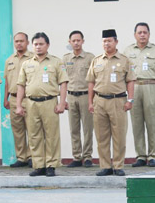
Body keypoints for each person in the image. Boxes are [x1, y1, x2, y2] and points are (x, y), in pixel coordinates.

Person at [14, 32, 68, 177]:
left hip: (49, 102)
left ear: (47, 45)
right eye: (36, 44)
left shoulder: (56, 62)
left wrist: (62, 103)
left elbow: (63, 83)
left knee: (51, 135)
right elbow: (21, 85)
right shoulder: (27, 63)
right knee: (34, 135)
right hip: (31, 103)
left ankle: (51, 165)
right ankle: (39, 165)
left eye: (41, 44)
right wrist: (19, 105)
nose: (38, 47)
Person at [87, 29, 136, 176]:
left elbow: (131, 81)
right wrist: (90, 102)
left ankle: (118, 165)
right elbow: (90, 82)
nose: (106, 43)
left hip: (118, 101)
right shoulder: (96, 60)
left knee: (119, 135)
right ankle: (105, 166)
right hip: (100, 101)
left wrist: (130, 100)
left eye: (109, 41)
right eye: (104, 41)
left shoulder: (124, 60)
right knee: (101, 136)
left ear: (116, 42)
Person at [124, 22, 155, 167]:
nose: (142, 35)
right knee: (136, 123)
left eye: (145, 32)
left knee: (152, 122)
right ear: (135, 34)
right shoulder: (128, 51)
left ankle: (153, 156)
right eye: (139, 32)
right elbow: (123, 74)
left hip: (151, 86)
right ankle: (141, 156)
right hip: (134, 87)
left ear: (149, 34)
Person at [63, 30, 95, 168]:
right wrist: (62, 99)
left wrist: (92, 100)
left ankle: (87, 157)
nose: (76, 43)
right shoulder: (65, 59)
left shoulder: (90, 58)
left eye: (78, 40)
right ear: (69, 42)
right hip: (71, 96)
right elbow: (62, 81)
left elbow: (93, 80)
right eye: (73, 41)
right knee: (74, 128)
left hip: (85, 96)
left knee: (88, 128)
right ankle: (77, 157)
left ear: (83, 41)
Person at [2, 32, 33, 168]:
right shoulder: (9, 60)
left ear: (27, 43)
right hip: (14, 98)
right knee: (17, 129)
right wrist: (6, 98)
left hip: (29, 98)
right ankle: (22, 157)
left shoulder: (33, 58)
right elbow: (7, 82)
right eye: (16, 41)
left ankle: (33, 156)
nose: (19, 43)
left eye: (22, 41)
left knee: (32, 128)